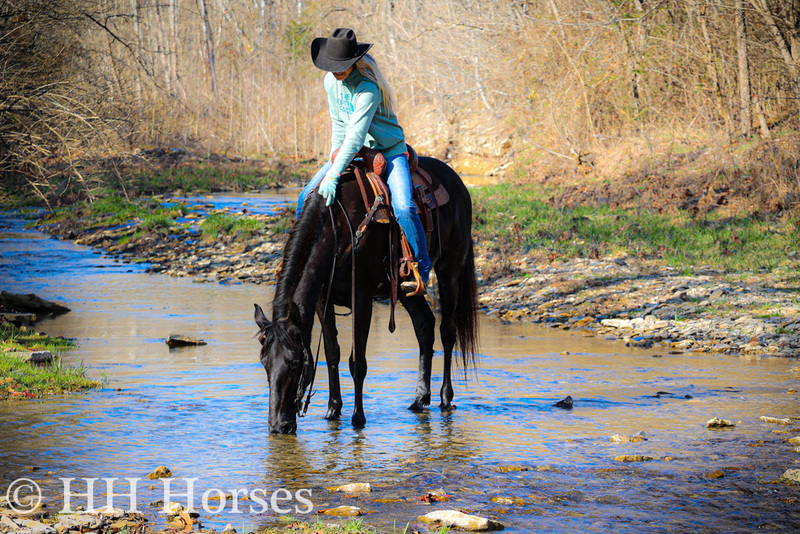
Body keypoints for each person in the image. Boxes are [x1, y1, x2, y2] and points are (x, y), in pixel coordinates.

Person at [296, 27, 431, 293]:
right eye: (333, 65)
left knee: (404, 207)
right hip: (353, 152)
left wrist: (334, 175)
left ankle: (421, 268)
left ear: (354, 62)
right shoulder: (330, 82)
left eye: (342, 66)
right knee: (304, 197)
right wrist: (335, 160)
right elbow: (338, 124)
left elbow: (356, 136)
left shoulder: (367, 89)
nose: (337, 70)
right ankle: (300, 261)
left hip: (389, 151)